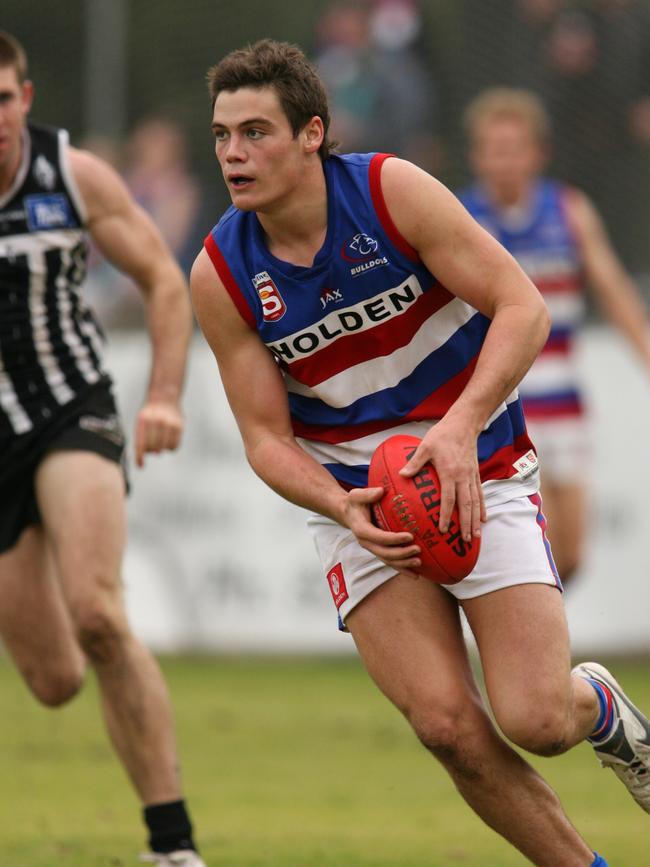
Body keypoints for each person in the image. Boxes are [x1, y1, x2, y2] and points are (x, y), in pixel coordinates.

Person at [191, 39, 650, 866]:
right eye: (222, 134)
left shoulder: (387, 190)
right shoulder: (222, 270)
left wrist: (460, 427)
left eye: (255, 131)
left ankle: (603, 707)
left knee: (538, 718)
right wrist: (340, 505)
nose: (233, 152)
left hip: (478, 463)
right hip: (362, 503)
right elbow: (264, 436)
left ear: (311, 133)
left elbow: (522, 307)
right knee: (445, 725)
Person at [0, 31, 205, 867]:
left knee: (99, 615)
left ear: (26, 98)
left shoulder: (71, 175)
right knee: (53, 681)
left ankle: (174, 847)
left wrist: (163, 393)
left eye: (1, 100)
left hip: (71, 411)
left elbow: (163, 276)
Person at [458, 87, 650, 584]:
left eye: (514, 148)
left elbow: (612, 289)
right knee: (523, 544)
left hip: (563, 397)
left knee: (570, 555)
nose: (504, 160)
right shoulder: (460, 219)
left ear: (537, 153)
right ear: (477, 156)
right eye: (493, 149)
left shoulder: (568, 211)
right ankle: (518, 654)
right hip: (499, 399)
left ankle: (526, 650)